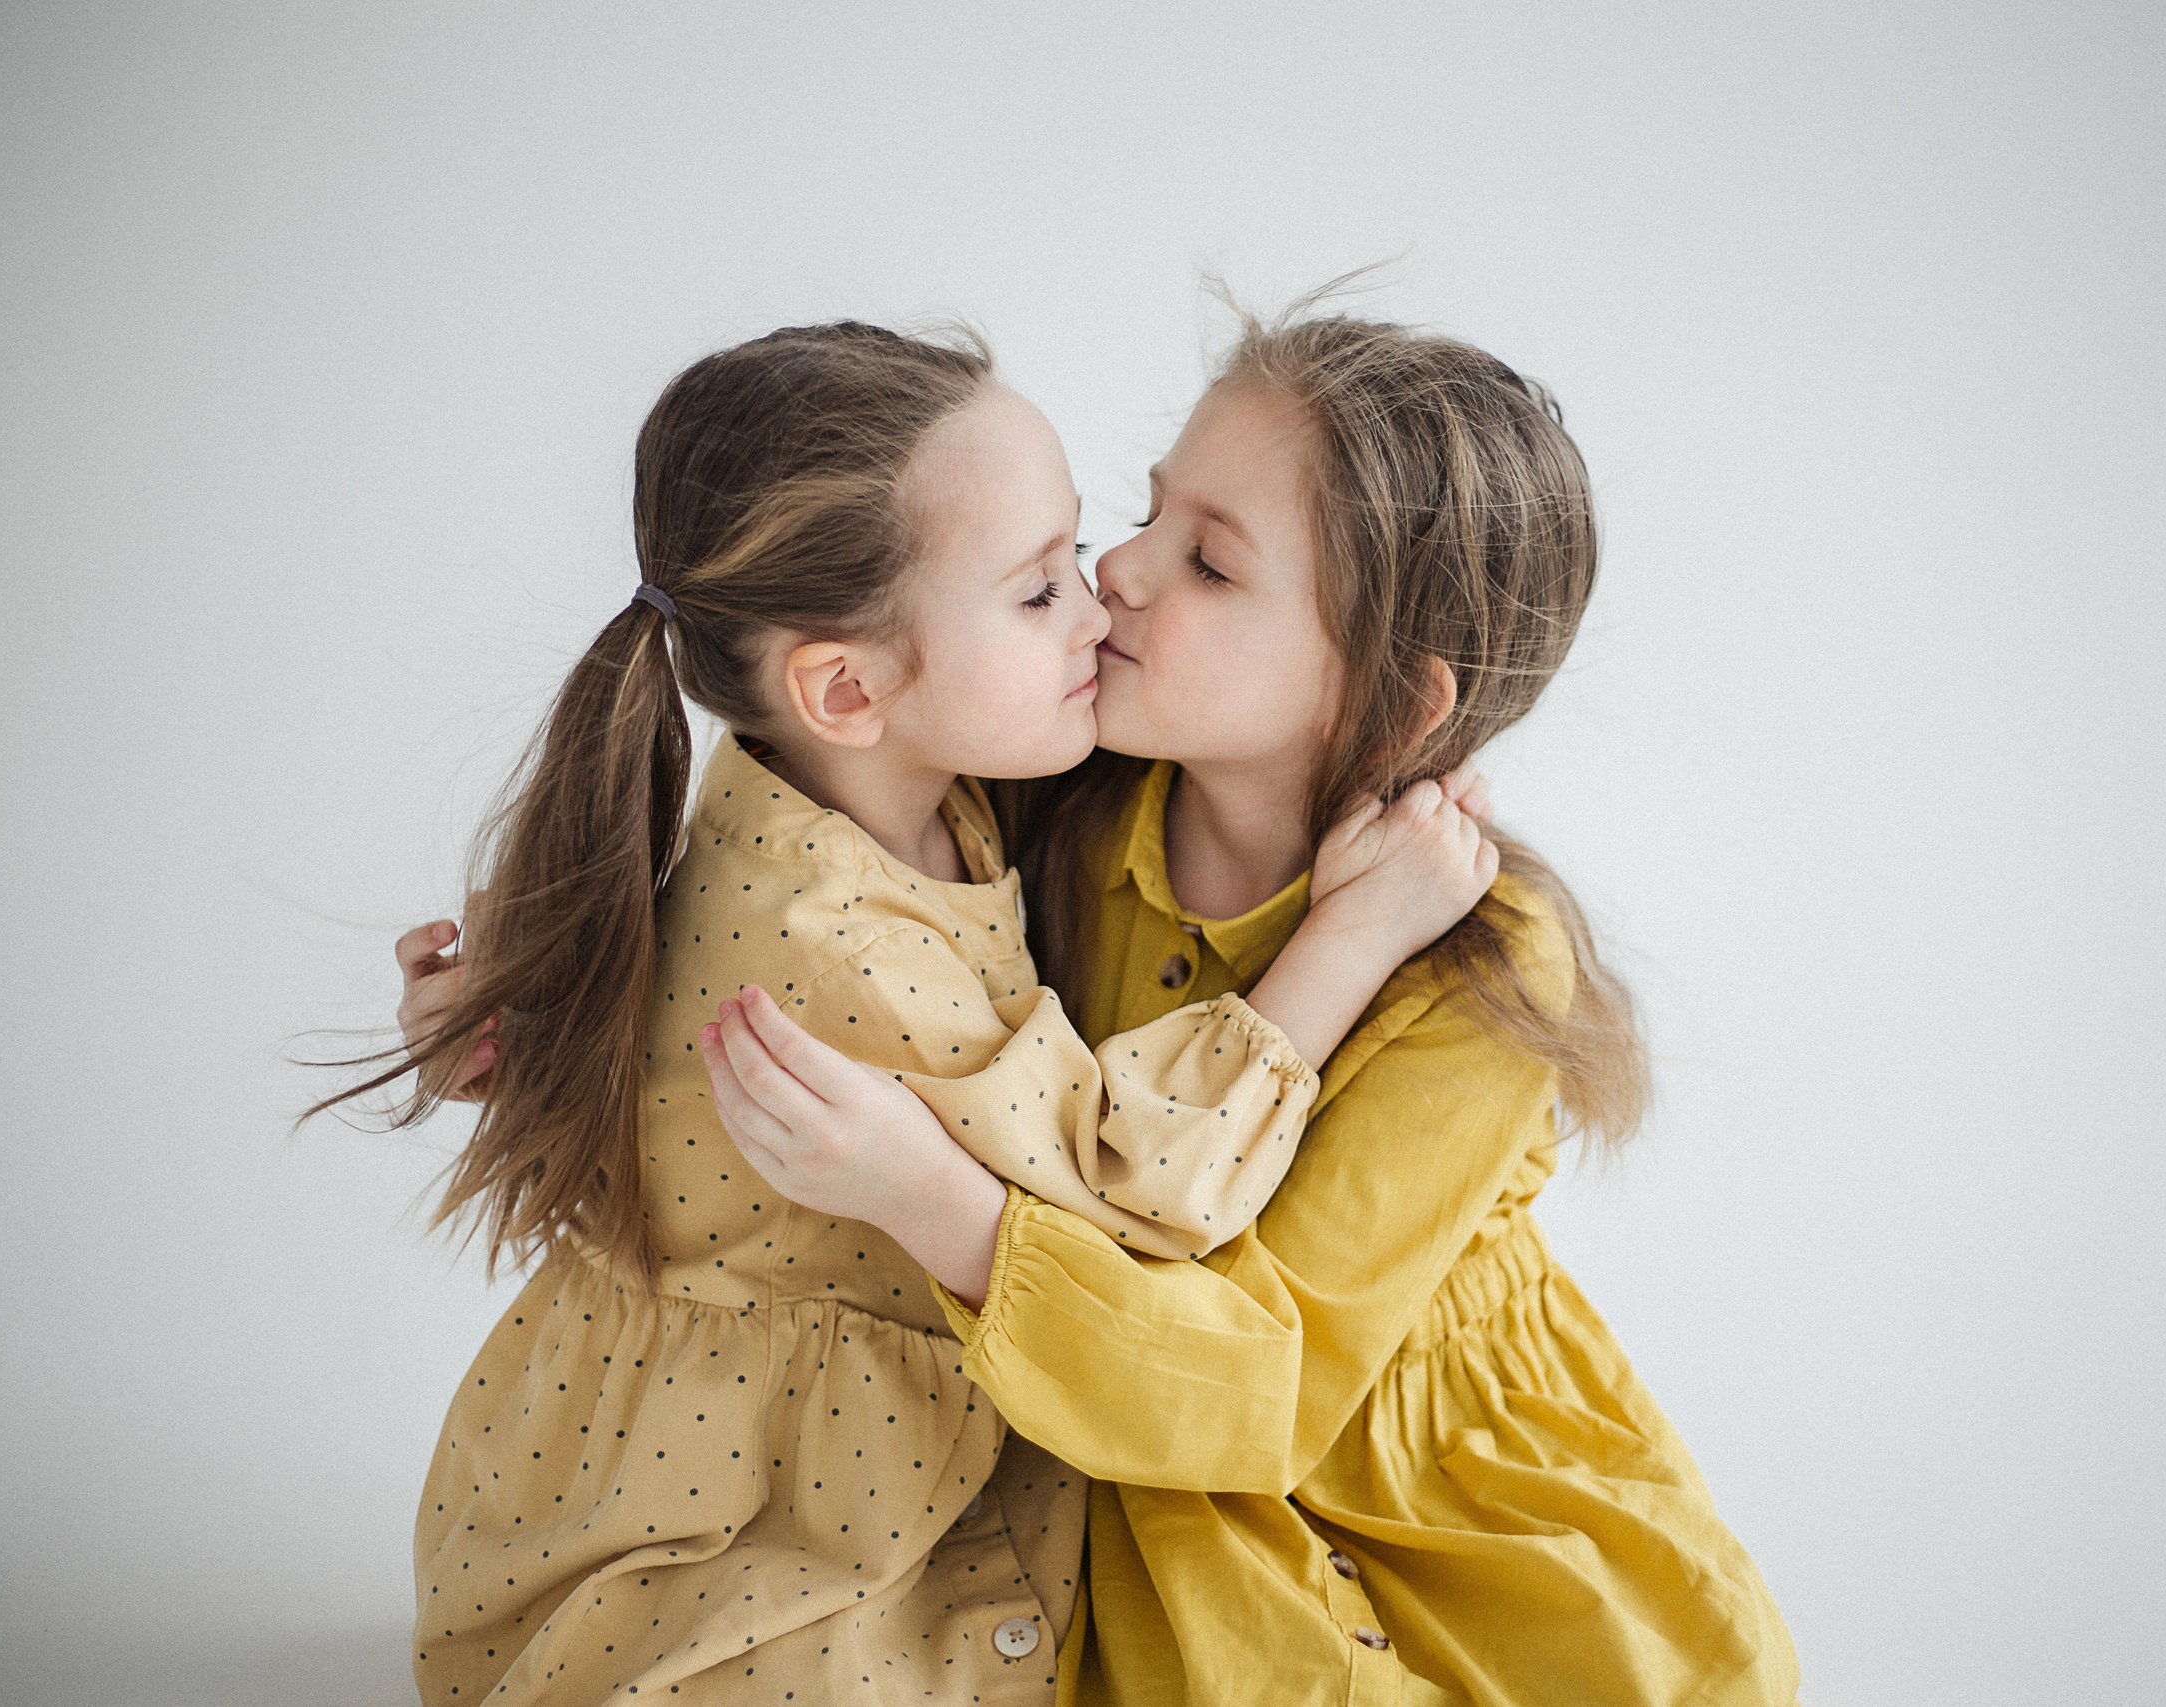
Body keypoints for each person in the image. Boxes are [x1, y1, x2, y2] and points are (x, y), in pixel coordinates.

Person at [354, 321, 1497, 1705]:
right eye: (1037, 595)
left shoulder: (891, 786)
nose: (1103, 604)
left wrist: (538, 1020)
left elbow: (667, 982)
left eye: (1090, 549)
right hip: (755, 1505)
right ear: (846, 689)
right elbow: (1130, 1187)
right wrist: (1350, 936)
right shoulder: (843, 945)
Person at [696, 307, 1805, 1705]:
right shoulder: (1063, 784)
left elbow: (1260, 1393)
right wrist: (560, 980)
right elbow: (813, 856)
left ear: (1396, 706)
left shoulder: (1479, 965)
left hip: (1366, 1480)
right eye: (1151, 510)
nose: (1117, 567)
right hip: (1091, 1413)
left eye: (1209, 563)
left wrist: (939, 1207)